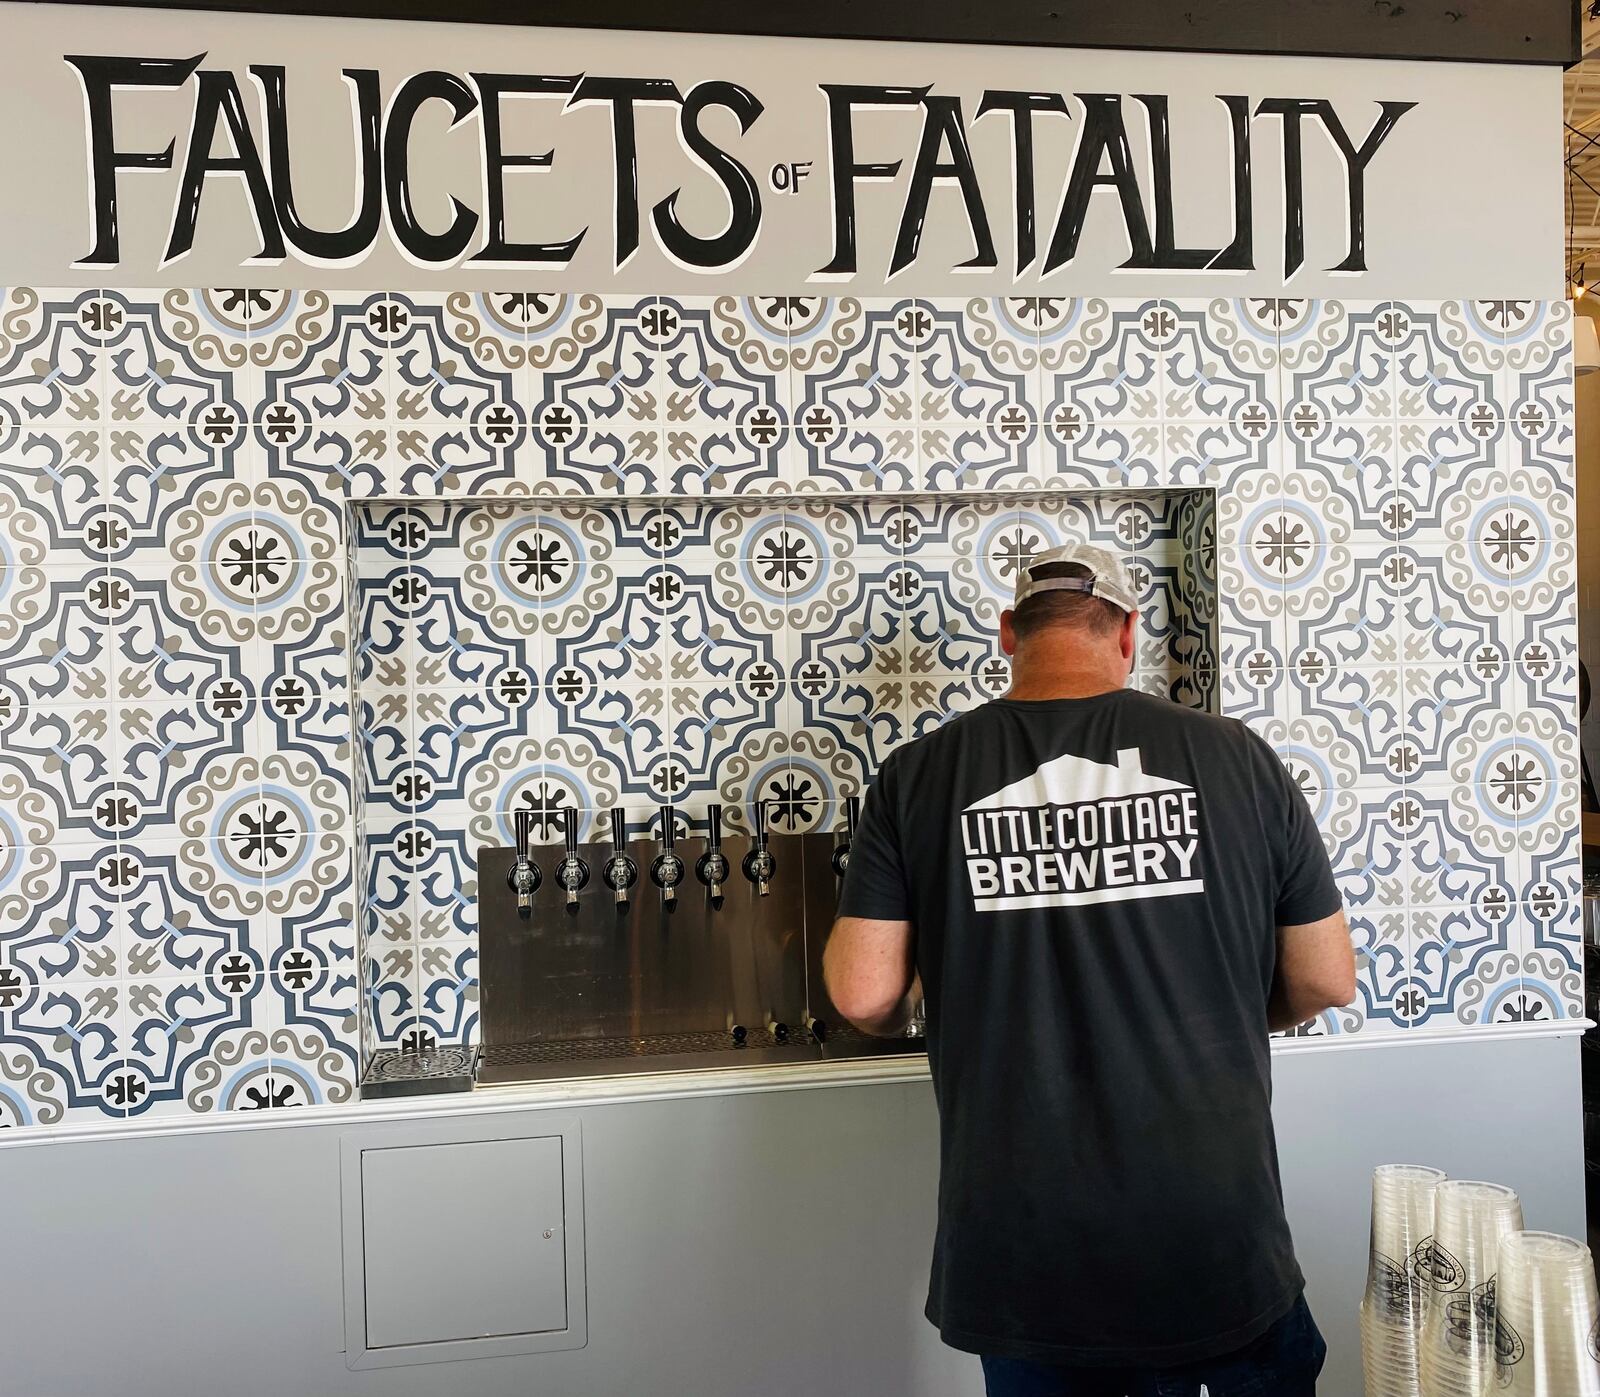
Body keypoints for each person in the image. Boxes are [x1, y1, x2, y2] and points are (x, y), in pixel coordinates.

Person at [823, 541, 1356, 1397]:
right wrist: (1213, 1013)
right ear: (1128, 633)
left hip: (1027, 1254)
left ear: (1008, 633)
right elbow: (1328, 977)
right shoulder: (1240, 758)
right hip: (1214, 1234)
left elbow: (863, 992)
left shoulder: (916, 776)